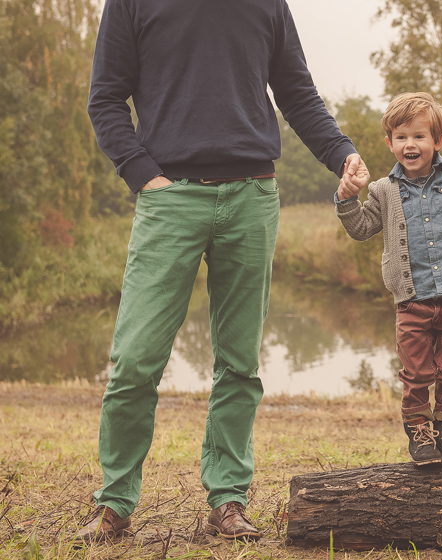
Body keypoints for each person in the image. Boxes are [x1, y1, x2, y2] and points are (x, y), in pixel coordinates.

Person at [75, 0, 369, 545]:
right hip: (169, 199)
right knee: (134, 360)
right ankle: (114, 502)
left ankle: (228, 500)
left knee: (239, 363)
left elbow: (296, 92)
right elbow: (106, 98)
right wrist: (142, 175)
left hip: (252, 196)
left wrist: (341, 153)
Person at [335, 92, 442, 465]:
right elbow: (362, 229)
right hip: (412, 301)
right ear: (390, 143)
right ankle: (419, 428)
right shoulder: (382, 191)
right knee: (417, 371)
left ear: (438, 141)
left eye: (419, 136)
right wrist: (347, 199)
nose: (410, 144)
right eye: (401, 137)